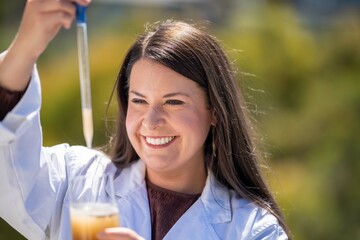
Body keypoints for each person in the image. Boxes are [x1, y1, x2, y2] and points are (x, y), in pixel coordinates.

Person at [0, 0, 291, 239]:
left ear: (214, 111)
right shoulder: (77, 182)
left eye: (173, 102)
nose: (151, 121)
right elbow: (9, 169)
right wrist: (27, 45)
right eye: (139, 101)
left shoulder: (253, 230)